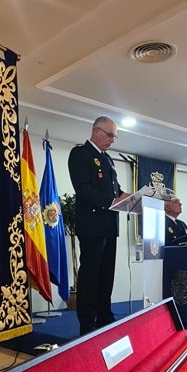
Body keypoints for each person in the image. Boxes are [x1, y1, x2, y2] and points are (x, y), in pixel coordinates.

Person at [68, 117, 129, 335]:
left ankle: (105, 316)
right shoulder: (80, 154)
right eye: (110, 135)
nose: (113, 140)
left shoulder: (109, 160)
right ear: (96, 131)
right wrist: (112, 202)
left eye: (114, 136)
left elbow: (117, 191)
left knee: (106, 276)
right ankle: (87, 322)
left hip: (110, 226)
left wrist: (135, 198)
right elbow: (83, 189)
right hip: (92, 226)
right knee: (90, 276)